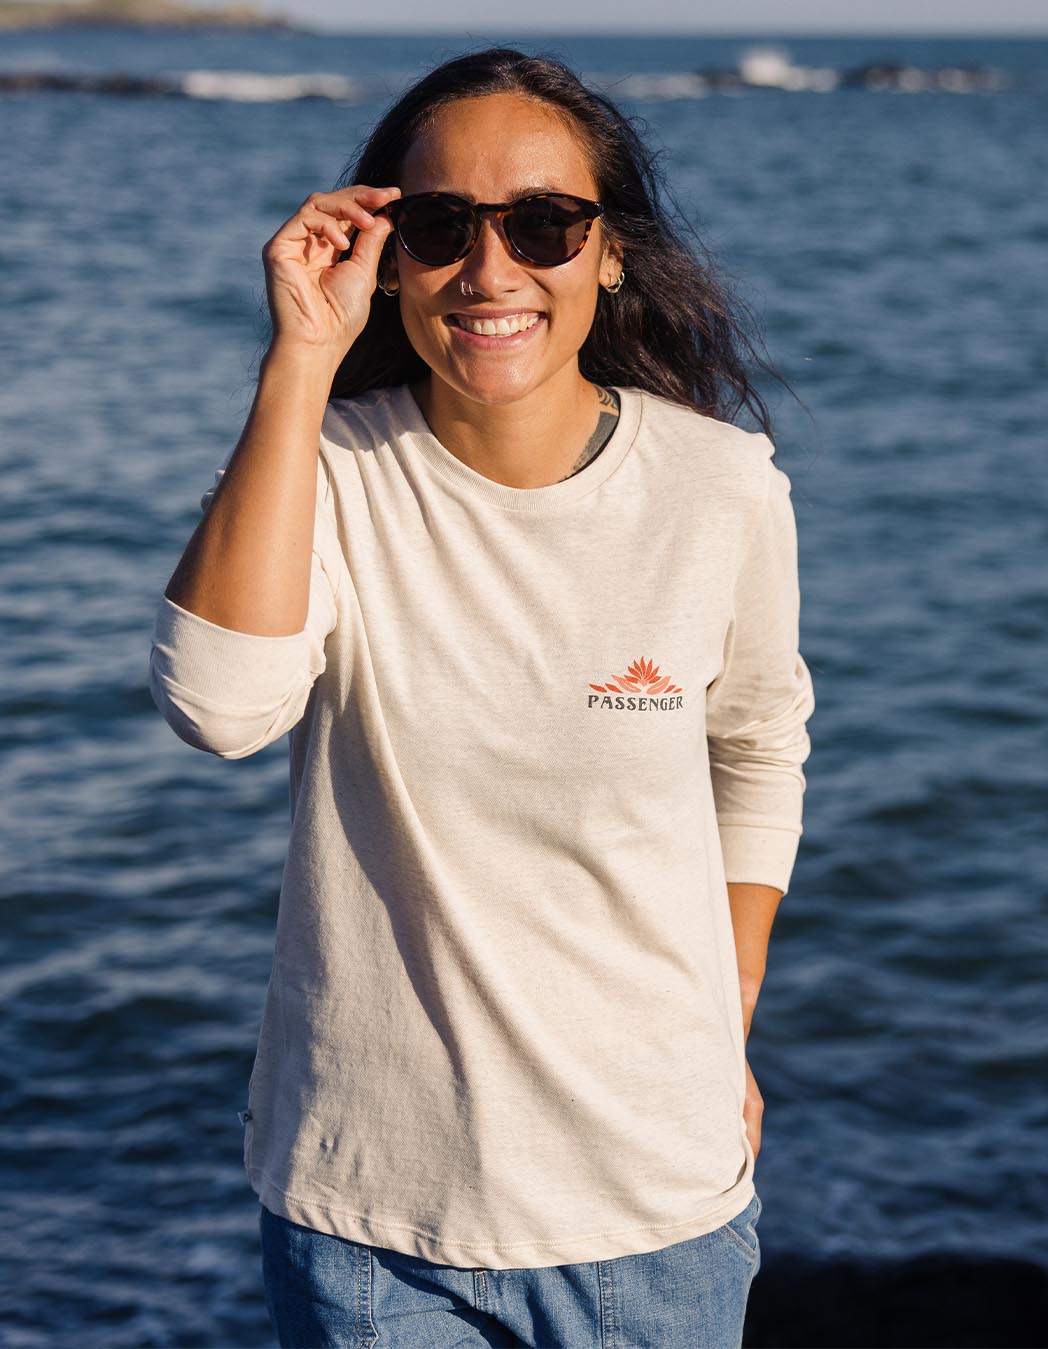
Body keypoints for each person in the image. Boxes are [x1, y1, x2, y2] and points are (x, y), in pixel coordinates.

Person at [148, 46, 814, 1349]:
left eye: (544, 225)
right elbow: (220, 707)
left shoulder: (719, 485)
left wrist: (723, 1021)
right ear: (390, 256)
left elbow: (757, 747)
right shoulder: (325, 471)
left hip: (648, 1212)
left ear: (608, 253)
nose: (491, 270)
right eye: (443, 227)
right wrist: (301, 358)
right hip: (367, 1221)